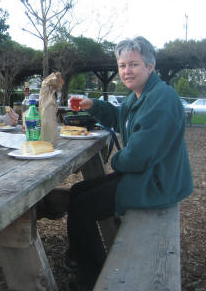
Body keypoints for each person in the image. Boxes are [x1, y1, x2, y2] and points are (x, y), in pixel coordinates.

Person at [65, 36, 193, 290]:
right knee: (77, 192)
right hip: (147, 173)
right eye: (122, 66)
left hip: (157, 182)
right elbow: (121, 118)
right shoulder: (140, 95)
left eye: (133, 64)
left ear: (150, 66)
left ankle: (90, 279)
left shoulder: (162, 99)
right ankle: (81, 255)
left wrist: (115, 159)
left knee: (81, 209)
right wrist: (93, 105)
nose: (126, 71)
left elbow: (138, 157)